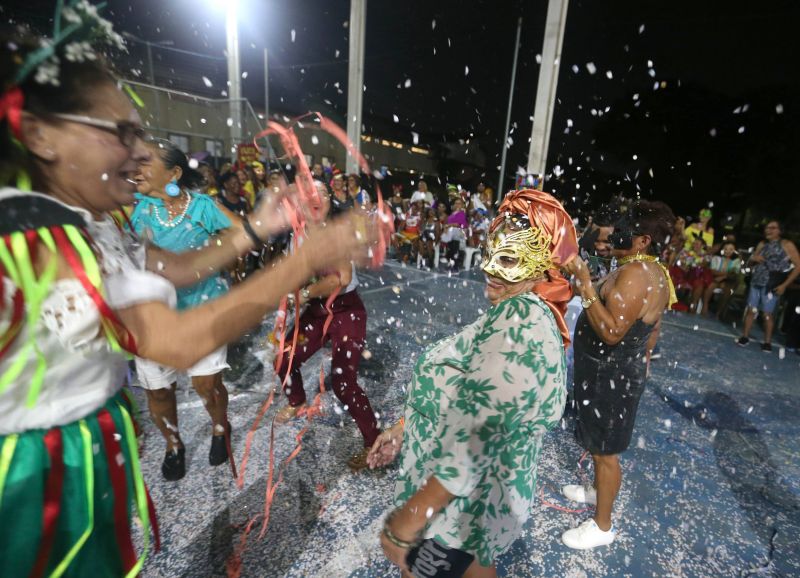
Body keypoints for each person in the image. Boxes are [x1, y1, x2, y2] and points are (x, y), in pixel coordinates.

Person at [0, 23, 374, 576]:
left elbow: (174, 268)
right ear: (40, 135)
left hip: (70, 456)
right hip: (28, 478)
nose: (138, 153)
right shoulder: (33, 238)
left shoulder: (80, 220)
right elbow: (176, 342)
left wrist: (254, 227)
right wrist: (300, 262)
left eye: (138, 134)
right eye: (120, 133)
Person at [367, 189, 578, 578]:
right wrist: (405, 427)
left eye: (510, 258)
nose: (490, 268)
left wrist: (411, 520)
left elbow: (480, 431)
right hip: (463, 507)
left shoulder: (522, 318)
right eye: (492, 253)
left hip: (457, 508)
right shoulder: (513, 309)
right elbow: (465, 387)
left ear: (542, 265)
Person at [560, 200, 677, 550]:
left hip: (610, 375)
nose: (615, 230)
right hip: (611, 373)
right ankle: (597, 493)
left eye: (626, 225)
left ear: (643, 240)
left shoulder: (636, 274)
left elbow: (612, 332)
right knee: (598, 444)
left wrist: (583, 283)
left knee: (605, 453)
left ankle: (602, 526)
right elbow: (652, 328)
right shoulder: (645, 268)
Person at [130, 139, 238, 481]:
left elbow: (242, 233)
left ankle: (220, 427)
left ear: (174, 172)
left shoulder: (203, 206)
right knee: (158, 390)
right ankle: (173, 443)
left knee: (207, 385)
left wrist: (209, 257)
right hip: (153, 315)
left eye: (147, 163)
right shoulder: (139, 208)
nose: (138, 169)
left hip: (203, 309)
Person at [274, 182, 379, 470]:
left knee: (344, 384)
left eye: (321, 193)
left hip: (347, 309)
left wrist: (305, 292)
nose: (315, 197)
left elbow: (341, 278)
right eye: (309, 193)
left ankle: (374, 442)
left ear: (330, 202)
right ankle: (297, 400)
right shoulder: (297, 236)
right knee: (283, 357)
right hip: (318, 311)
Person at [737, 220, 800, 352]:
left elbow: (798, 267)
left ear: (780, 230)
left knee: (767, 314)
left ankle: (767, 342)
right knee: (750, 310)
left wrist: (784, 285)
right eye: (767, 227)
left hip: (772, 283)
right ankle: (745, 336)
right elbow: (749, 263)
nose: (768, 230)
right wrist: (753, 259)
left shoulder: (786, 244)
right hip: (756, 281)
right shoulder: (762, 244)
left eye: (773, 228)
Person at [703, 241, 742, 320]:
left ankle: (719, 312)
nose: (727, 251)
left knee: (727, 290)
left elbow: (734, 273)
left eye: (731, 249)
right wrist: (725, 275)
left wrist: (723, 277)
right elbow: (713, 271)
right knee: (711, 286)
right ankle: (705, 305)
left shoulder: (736, 261)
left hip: (729, 281)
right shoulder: (716, 258)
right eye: (726, 249)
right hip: (715, 278)